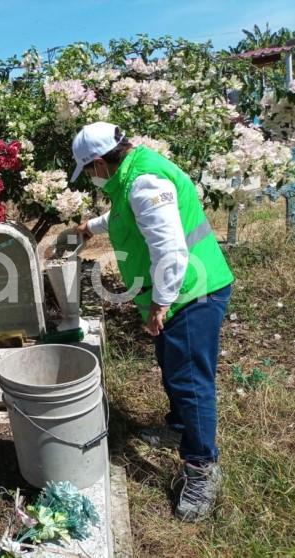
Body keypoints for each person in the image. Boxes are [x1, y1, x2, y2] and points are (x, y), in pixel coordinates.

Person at [71, 122, 235, 522]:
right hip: (182, 293)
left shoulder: (143, 181)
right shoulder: (132, 174)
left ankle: (201, 468)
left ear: (97, 162)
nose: (91, 179)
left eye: (89, 171)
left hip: (192, 293)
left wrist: (161, 303)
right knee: (171, 366)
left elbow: (170, 249)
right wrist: (90, 227)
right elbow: (124, 215)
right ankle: (179, 427)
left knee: (191, 382)